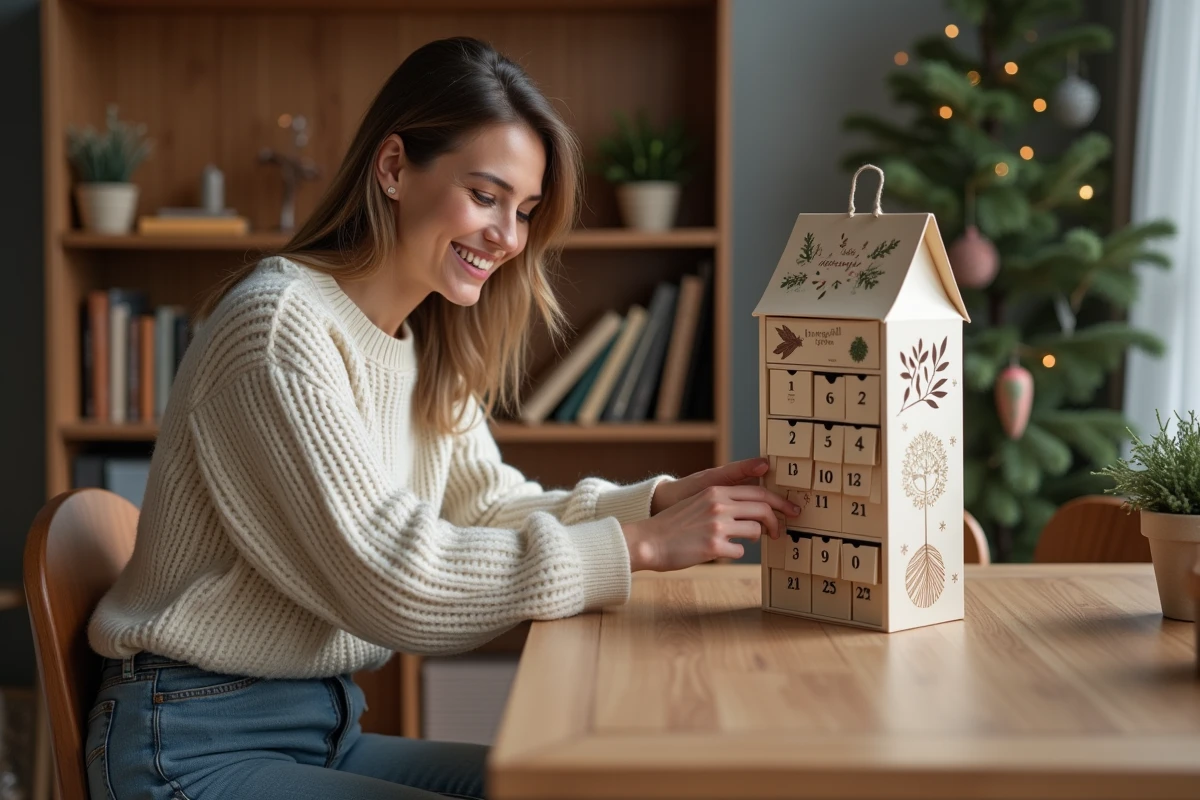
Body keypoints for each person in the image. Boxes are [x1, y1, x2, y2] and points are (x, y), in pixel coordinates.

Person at [84, 36, 797, 800]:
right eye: (486, 196)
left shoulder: (416, 342)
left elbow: (488, 505)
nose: (508, 237)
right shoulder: (279, 327)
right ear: (392, 168)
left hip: (320, 729)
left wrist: (653, 503)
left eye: (523, 211)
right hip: (188, 745)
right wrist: (639, 546)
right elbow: (393, 578)